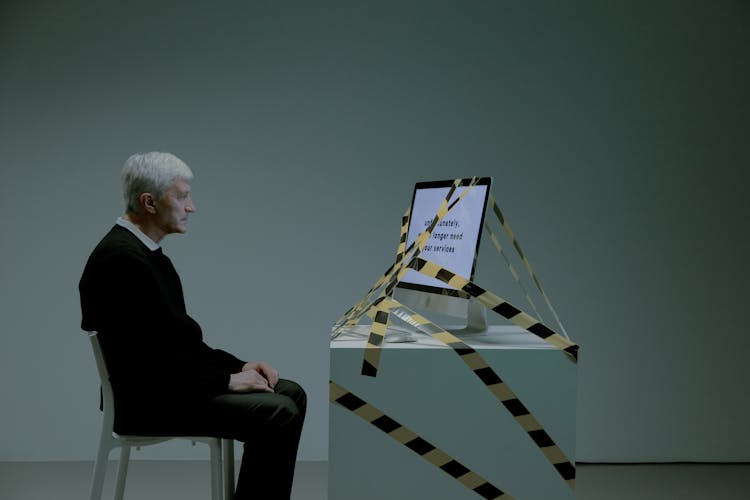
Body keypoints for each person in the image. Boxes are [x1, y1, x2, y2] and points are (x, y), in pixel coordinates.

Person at [79, 152, 306, 500]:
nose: (191, 207)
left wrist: (240, 366)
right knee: (278, 413)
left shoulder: (147, 254)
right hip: (147, 401)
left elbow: (179, 344)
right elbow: (150, 364)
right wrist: (229, 380)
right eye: (182, 196)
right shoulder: (121, 261)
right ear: (149, 202)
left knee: (289, 393)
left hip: (169, 386)